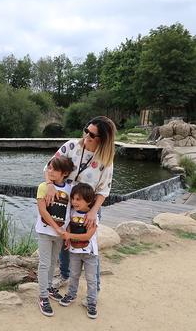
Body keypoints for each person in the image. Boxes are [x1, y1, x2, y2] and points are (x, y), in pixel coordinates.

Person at [45, 116, 116, 292]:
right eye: (86, 130)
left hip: (87, 210)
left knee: (89, 249)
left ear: (102, 139)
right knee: (64, 241)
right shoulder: (72, 146)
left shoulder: (105, 160)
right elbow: (49, 167)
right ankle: (65, 275)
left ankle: (95, 286)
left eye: (92, 135)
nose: (86, 136)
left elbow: (103, 190)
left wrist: (93, 212)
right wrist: (49, 185)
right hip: (64, 206)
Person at [36, 156, 75, 317]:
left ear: (64, 173)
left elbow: (70, 212)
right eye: (49, 168)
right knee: (44, 263)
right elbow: (42, 210)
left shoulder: (70, 189)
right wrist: (56, 228)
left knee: (54, 261)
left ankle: (49, 287)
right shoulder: (43, 187)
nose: (49, 171)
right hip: (46, 232)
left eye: (54, 169)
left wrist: (67, 234)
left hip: (61, 233)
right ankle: (43, 296)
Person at [59, 183, 99, 319]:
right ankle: (71, 295)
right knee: (74, 275)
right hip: (74, 252)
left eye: (78, 199)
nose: (74, 202)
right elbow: (69, 226)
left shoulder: (92, 216)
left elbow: (88, 236)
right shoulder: (71, 212)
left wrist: (69, 236)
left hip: (90, 254)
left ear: (89, 201)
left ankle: (92, 302)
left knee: (91, 279)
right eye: (73, 198)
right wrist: (68, 238)